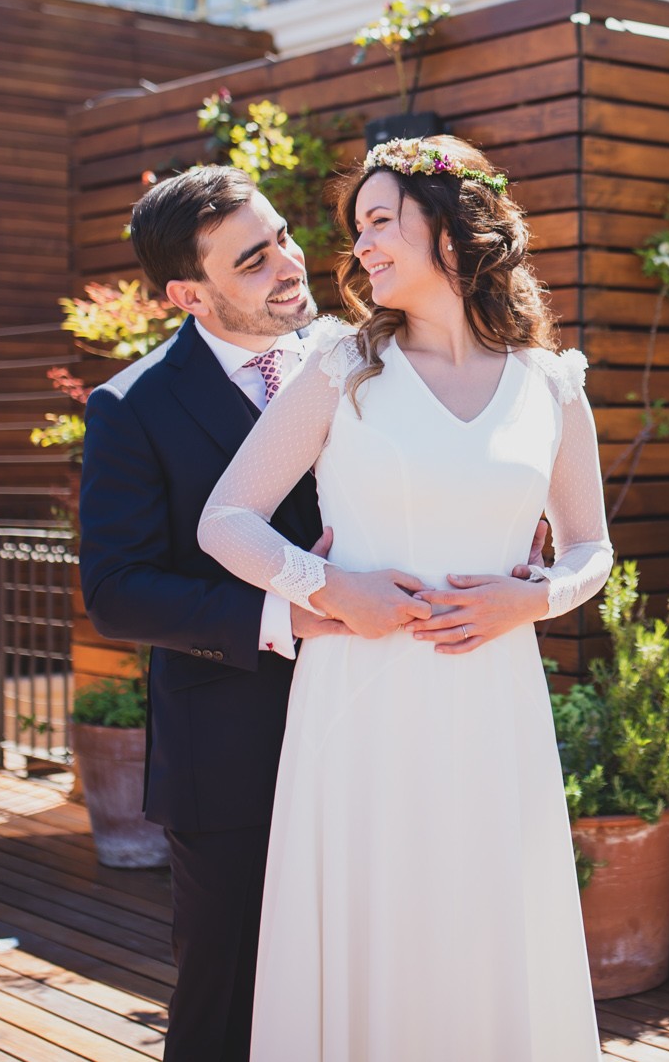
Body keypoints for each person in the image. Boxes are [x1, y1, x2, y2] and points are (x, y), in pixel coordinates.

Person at [78, 165, 547, 1061]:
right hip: (232, 742)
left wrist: (508, 550)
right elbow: (117, 589)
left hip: (390, 725)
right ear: (189, 292)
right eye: (254, 260)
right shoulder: (131, 408)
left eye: (284, 236)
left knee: (384, 977)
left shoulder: (377, 353)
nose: (292, 263)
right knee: (230, 990)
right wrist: (294, 610)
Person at [196, 135, 608, 1059]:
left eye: (381, 220)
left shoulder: (552, 384)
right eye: (358, 228)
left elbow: (591, 547)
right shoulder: (344, 366)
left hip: (492, 706)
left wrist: (529, 602)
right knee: (374, 921)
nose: (362, 246)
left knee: (483, 924)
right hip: (361, 707)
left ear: (455, 231)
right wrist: (330, 588)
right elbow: (226, 518)